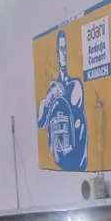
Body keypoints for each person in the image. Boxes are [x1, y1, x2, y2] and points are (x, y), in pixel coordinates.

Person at [37, 29, 88, 171]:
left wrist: (58, 95)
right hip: (59, 159)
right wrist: (48, 100)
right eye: (61, 49)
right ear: (56, 53)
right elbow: (40, 122)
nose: (63, 53)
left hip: (78, 159)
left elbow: (74, 104)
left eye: (65, 48)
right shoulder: (51, 89)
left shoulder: (75, 85)